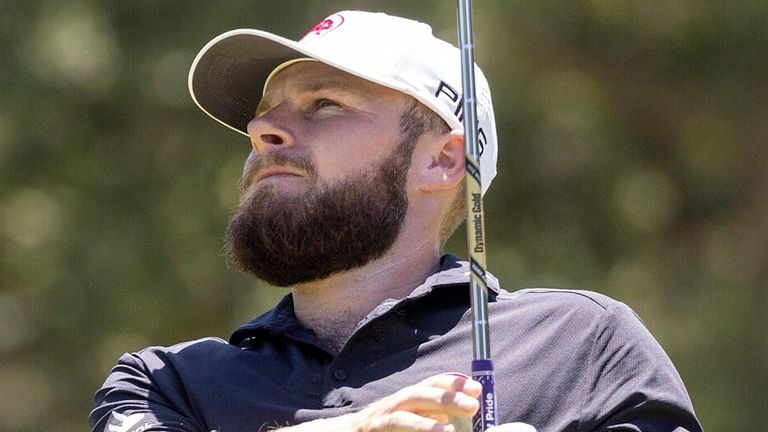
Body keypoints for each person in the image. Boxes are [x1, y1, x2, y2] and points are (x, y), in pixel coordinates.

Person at [90, 10, 703, 432]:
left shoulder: (580, 346)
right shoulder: (168, 383)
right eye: (264, 114)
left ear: (440, 159)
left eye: (325, 104)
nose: (261, 130)